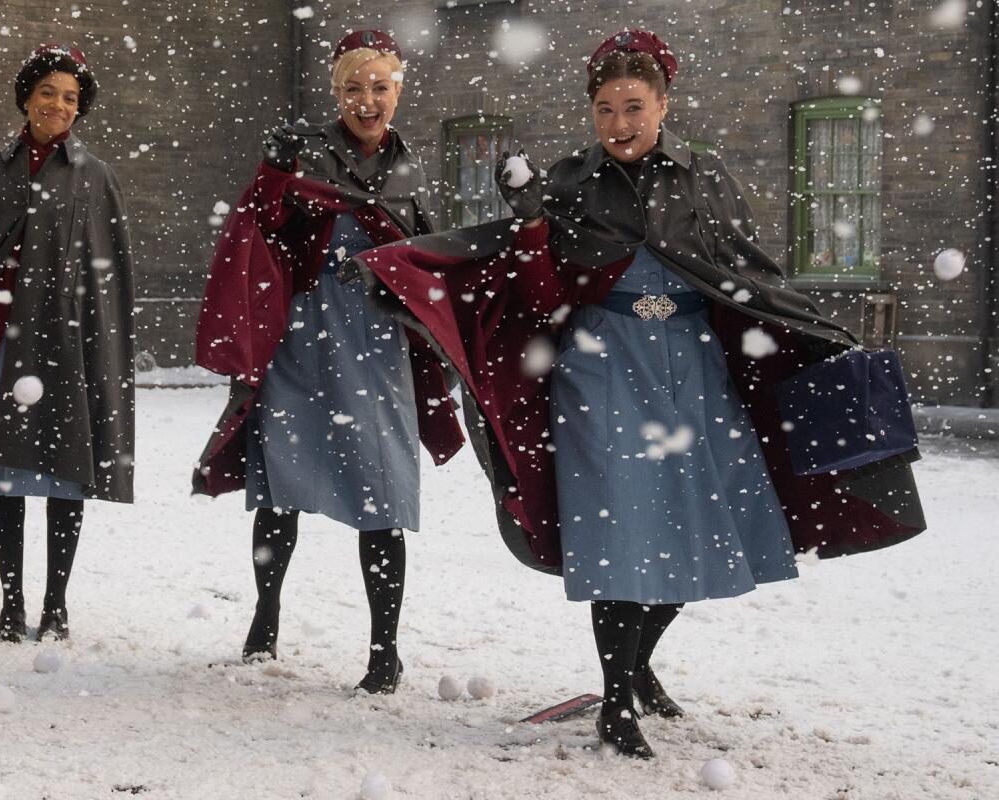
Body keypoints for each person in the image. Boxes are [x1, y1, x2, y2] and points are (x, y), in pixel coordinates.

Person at [348, 29, 925, 755]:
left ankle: (637, 667)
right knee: (620, 537)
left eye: (633, 106)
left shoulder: (706, 180)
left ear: (663, 103)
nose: (618, 124)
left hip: (692, 372)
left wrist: (810, 336)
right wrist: (530, 221)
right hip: (600, 370)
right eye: (604, 109)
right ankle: (616, 705)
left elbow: (748, 277)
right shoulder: (569, 181)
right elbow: (541, 293)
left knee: (697, 530)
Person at [192, 30, 464, 694]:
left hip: (378, 353)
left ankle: (384, 649)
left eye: (379, 87)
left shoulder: (407, 170)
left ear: (398, 90)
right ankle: (264, 618)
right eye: (352, 88)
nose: (366, 101)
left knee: (384, 498)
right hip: (303, 347)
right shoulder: (305, 156)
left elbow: (426, 257)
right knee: (279, 491)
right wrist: (274, 175)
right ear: (335, 92)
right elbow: (256, 234)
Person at [0, 44, 136, 643]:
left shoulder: (96, 179)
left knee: (62, 476)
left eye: (71, 98)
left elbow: (109, 278)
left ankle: (58, 604)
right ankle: (11, 603)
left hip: (64, 353)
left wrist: (99, 348)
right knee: (6, 481)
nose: (59, 105)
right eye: (49, 92)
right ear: (26, 97)